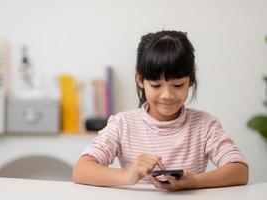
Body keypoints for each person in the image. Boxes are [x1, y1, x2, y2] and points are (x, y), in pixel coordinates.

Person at [72, 30, 249, 191]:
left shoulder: (205, 125)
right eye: (156, 85)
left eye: (178, 85)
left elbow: (239, 170)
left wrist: (194, 182)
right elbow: (81, 170)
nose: (167, 95)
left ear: (191, 80)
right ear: (141, 80)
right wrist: (128, 175)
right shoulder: (122, 124)